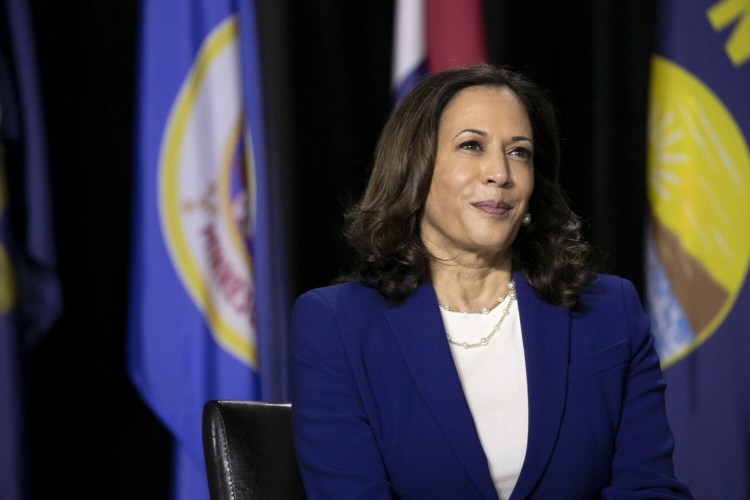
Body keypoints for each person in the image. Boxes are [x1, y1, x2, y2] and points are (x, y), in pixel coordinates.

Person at [290, 64, 692, 499]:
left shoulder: (610, 309)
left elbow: (650, 489)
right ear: (415, 167)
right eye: (471, 146)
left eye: (519, 152)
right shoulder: (336, 324)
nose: (500, 173)